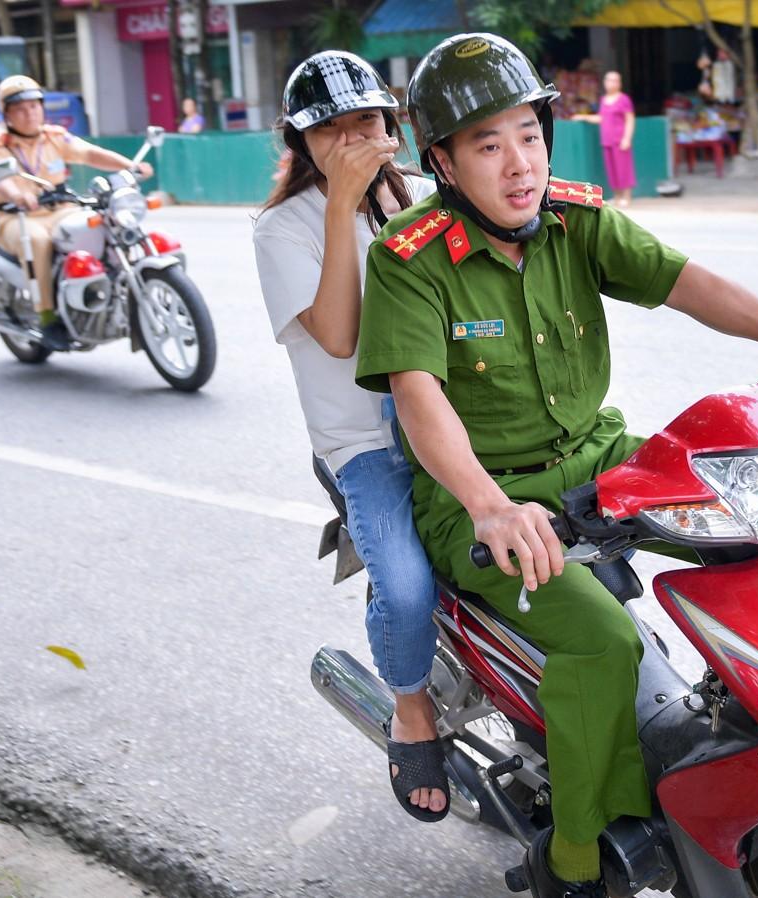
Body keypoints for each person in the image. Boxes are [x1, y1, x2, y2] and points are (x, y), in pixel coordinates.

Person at [354, 33, 758, 898]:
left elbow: (683, 281)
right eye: (487, 144)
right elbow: (419, 399)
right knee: (602, 639)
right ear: (441, 160)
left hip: (599, 456)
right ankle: (578, 859)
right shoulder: (408, 258)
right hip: (484, 495)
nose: (519, 165)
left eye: (529, 135)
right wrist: (487, 505)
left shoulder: (573, 217)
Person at [252, 52, 448, 822]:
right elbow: (336, 335)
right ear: (301, 143)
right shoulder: (281, 228)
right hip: (365, 445)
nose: (352, 137)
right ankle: (410, 708)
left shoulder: (428, 198)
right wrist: (341, 204)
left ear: (391, 125)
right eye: (329, 128)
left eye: (365, 120)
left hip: (450, 419)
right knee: (403, 589)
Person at [0, 75, 153, 350]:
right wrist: (18, 194)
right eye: (20, 109)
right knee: (37, 241)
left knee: (103, 223)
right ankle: (47, 317)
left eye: (34, 106)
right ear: (6, 114)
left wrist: (129, 165)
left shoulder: (54, 137)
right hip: (15, 217)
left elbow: (90, 154)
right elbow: (1, 178)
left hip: (61, 209)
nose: (29, 113)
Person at [575, 71, 635, 207]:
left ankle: (626, 197)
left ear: (619, 83)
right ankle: (617, 196)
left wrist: (627, 138)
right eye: (608, 80)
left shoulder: (623, 99)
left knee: (623, 169)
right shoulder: (603, 100)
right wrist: (584, 117)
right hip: (607, 140)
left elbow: (630, 120)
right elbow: (601, 118)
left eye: (614, 80)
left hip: (620, 140)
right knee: (612, 169)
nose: (610, 83)